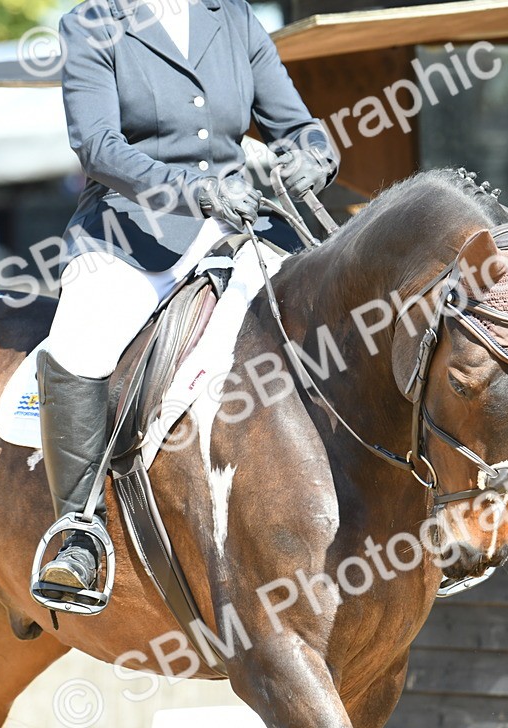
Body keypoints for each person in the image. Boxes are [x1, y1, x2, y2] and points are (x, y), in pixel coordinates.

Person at [34, 0, 339, 596]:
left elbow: (296, 124)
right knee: (79, 346)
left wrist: (314, 157)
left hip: (241, 223)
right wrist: (192, 189)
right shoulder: (94, 22)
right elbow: (97, 145)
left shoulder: (234, 17)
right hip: (132, 228)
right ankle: (79, 533)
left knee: (332, 319)